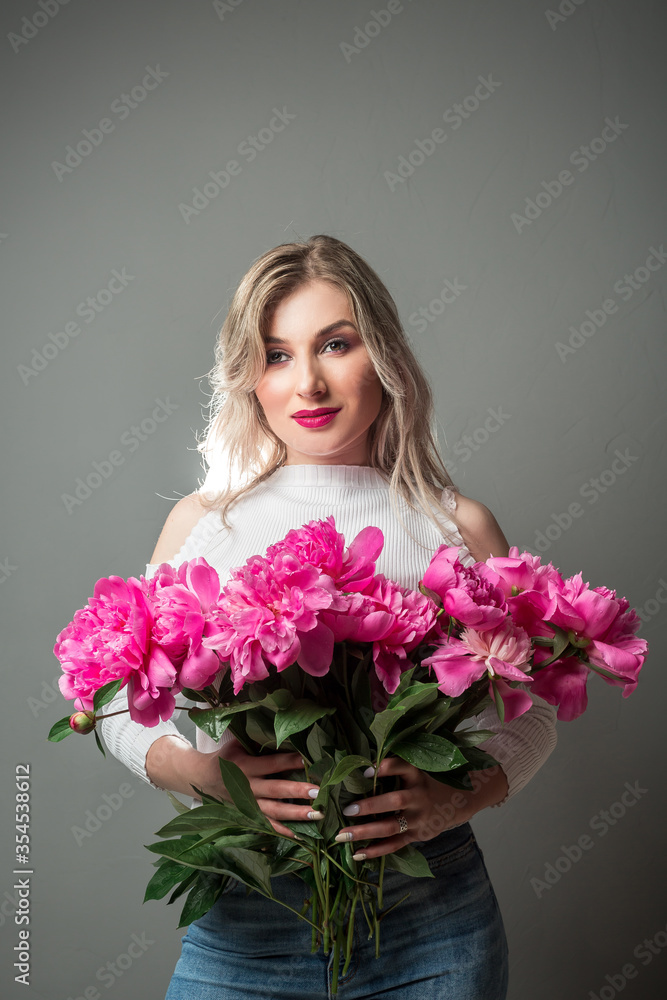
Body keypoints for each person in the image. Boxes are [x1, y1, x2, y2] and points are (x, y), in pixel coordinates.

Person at [101, 234, 558, 999]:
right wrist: (202, 773)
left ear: (382, 354)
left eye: (335, 345)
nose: (307, 382)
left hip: (432, 922)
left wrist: (455, 799)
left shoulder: (458, 526)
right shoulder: (204, 522)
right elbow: (112, 696)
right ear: (249, 377)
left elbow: (533, 704)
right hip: (248, 915)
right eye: (276, 355)